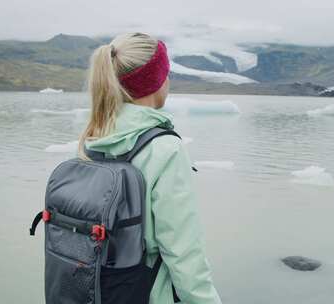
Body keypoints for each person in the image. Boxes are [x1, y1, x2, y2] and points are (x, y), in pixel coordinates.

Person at [78, 32, 222, 304]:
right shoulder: (164, 148)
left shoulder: (94, 138)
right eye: (166, 73)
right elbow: (182, 250)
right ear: (157, 81)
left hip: (94, 289)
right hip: (147, 293)